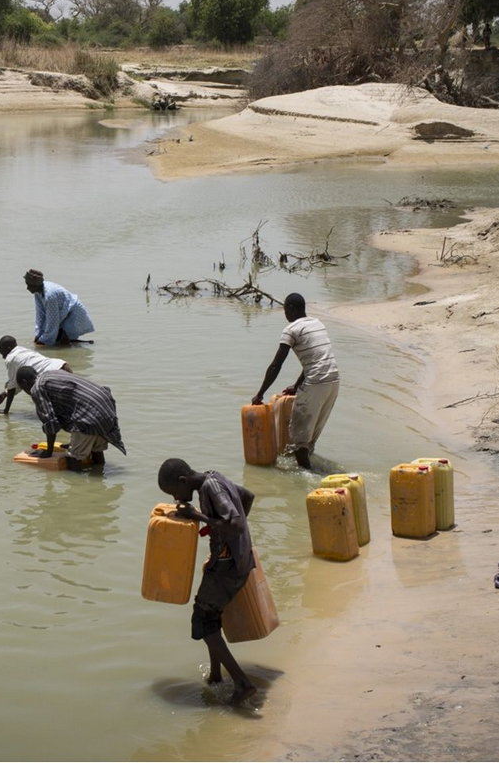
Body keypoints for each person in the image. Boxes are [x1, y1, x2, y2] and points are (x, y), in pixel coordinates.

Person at [157, 458, 257, 707]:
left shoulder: (210, 488)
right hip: (234, 561)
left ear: (183, 481)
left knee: (202, 621)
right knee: (211, 617)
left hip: (228, 568)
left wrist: (198, 516)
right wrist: (229, 542)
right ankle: (215, 675)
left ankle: (242, 684)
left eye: (174, 492)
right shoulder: (215, 477)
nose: (176, 498)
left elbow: (234, 524)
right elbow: (247, 497)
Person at [252, 292, 339, 469]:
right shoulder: (317, 323)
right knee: (310, 437)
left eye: (285, 309)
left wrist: (260, 394)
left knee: (299, 439)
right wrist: (296, 386)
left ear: (290, 309)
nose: (285, 314)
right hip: (334, 381)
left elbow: (276, 364)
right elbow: (315, 360)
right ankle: (311, 469)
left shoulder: (291, 330)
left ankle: (307, 478)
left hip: (315, 383)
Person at [15, 364, 125, 469]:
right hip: (106, 409)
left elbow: (50, 422)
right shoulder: (52, 374)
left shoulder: (37, 388)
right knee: (95, 450)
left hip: (89, 416)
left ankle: (77, 487)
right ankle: (100, 480)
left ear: (24, 383)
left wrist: (48, 452)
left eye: (23, 388)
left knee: (73, 457)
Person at [0, 334, 71, 415]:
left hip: (51, 375)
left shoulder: (10, 358)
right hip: (62, 365)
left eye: (2, 353)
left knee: (53, 409)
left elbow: (12, 387)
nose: (3, 357)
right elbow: (17, 382)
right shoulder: (24, 350)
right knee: (70, 403)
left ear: (8, 349)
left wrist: (6, 411)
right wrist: (5, 393)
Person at [24, 269, 94, 346]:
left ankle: (83, 344)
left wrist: (43, 342)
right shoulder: (37, 292)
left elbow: (52, 322)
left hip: (73, 314)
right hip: (63, 313)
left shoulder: (50, 296)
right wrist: (38, 334)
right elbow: (40, 315)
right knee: (57, 340)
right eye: (27, 284)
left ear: (36, 285)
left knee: (64, 342)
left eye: (29, 285)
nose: (27, 288)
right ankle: (83, 343)